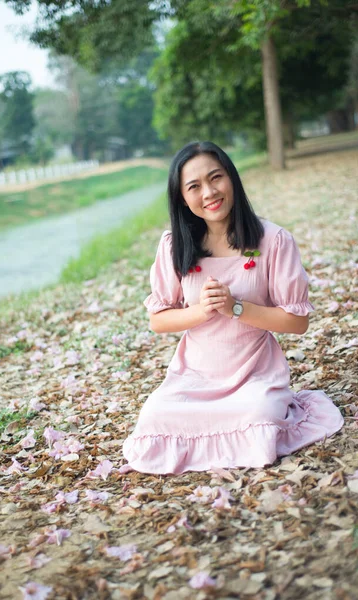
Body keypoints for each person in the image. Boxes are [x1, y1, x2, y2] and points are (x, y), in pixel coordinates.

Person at [122, 141, 344, 475]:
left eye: (216, 178)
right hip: (194, 376)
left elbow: (298, 322)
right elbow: (158, 320)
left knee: (259, 416)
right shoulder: (175, 246)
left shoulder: (273, 240)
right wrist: (201, 311)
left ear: (232, 179)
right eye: (194, 187)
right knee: (155, 416)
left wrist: (236, 307)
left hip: (254, 373)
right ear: (182, 197)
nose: (209, 192)